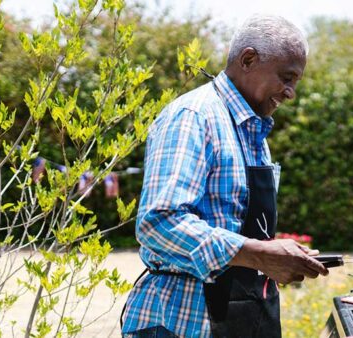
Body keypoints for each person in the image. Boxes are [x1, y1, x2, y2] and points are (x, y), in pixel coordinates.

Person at [121, 15, 329, 338]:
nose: (290, 93)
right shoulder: (193, 117)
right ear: (248, 59)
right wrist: (258, 253)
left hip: (245, 320)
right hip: (182, 324)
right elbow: (158, 224)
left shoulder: (256, 135)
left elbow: (239, 228)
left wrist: (280, 258)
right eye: (287, 78)